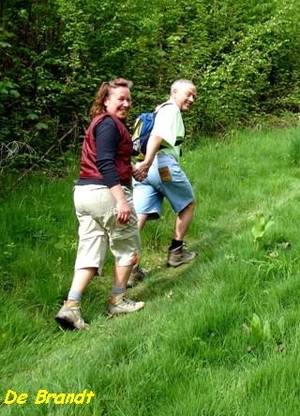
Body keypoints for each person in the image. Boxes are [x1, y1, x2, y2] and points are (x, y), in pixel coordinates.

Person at [55, 78, 145, 331]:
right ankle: (117, 299)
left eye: (129, 99)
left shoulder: (102, 123)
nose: (126, 103)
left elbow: (107, 159)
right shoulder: (109, 124)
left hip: (83, 193)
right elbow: (105, 163)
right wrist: (120, 200)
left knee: (90, 250)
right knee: (127, 245)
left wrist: (132, 169)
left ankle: (71, 307)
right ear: (105, 100)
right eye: (121, 99)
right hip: (105, 193)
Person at [128, 79, 197, 285]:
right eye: (189, 94)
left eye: (194, 96)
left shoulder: (158, 110)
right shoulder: (171, 110)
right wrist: (149, 162)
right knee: (187, 203)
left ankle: (130, 269)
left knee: (139, 217)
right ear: (174, 92)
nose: (192, 99)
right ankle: (176, 253)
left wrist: (144, 164)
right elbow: (157, 136)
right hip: (159, 165)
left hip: (142, 169)